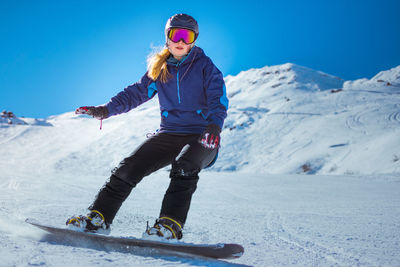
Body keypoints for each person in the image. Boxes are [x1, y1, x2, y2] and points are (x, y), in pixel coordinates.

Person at [66, 13, 228, 240]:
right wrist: (105, 110)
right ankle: (98, 218)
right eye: (176, 35)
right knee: (129, 166)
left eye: (187, 36)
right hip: (170, 134)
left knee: (185, 165)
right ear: (167, 38)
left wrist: (214, 126)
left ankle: (169, 225)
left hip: (202, 137)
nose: (181, 41)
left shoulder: (205, 67)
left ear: (194, 40)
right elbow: (135, 94)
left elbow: (217, 99)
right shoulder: (160, 69)